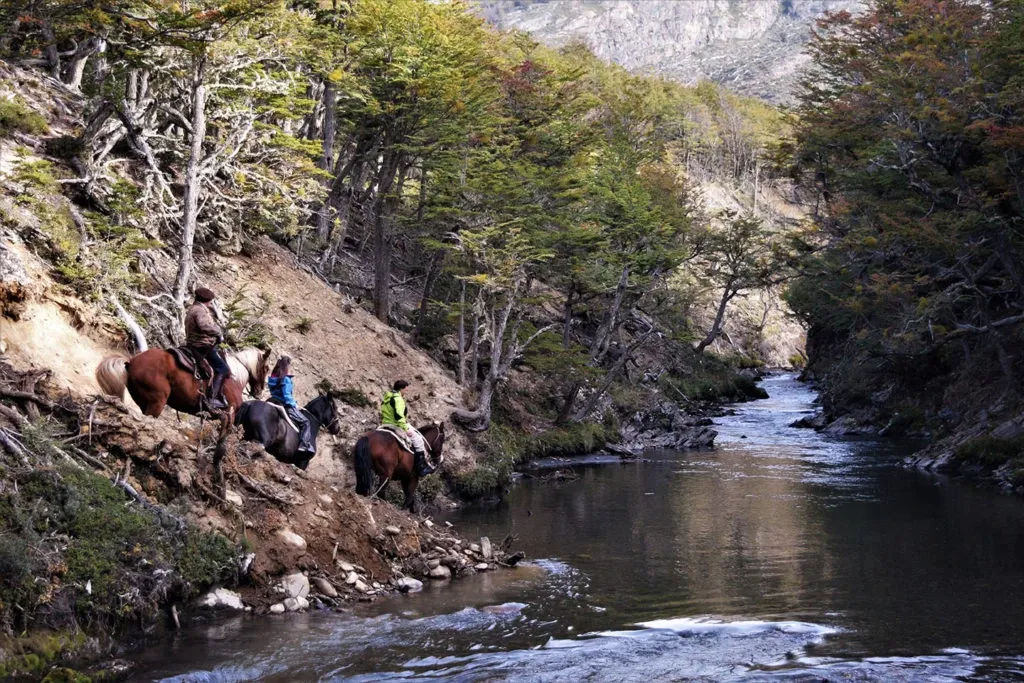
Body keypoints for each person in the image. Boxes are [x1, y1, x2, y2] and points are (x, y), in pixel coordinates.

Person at [184, 287, 230, 410]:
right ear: (207, 300)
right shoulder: (200, 310)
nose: (210, 303)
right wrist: (218, 332)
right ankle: (211, 399)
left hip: (192, 343)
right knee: (223, 369)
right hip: (201, 345)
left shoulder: (193, 308)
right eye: (210, 301)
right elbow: (204, 326)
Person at [380, 380, 434, 476]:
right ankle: (421, 468)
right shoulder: (398, 399)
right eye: (406, 389)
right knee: (418, 441)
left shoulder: (387, 396)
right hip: (396, 424)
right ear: (402, 389)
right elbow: (399, 416)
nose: (406, 391)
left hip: (385, 424)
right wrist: (405, 428)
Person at [267, 356, 315, 456]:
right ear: (286, 366)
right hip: (285, 405)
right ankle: (304, 445)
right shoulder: (285, 379)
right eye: (289, 366)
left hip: (272, 400)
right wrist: (294, 405)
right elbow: (287, 396)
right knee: (306, 422)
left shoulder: (272, 378)